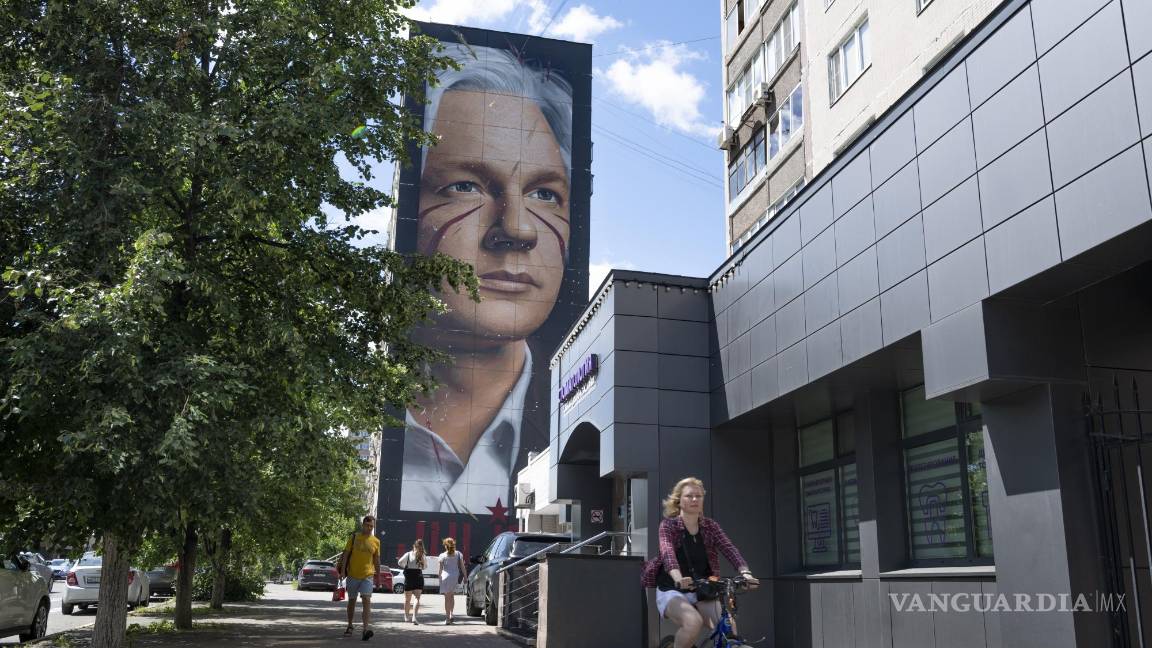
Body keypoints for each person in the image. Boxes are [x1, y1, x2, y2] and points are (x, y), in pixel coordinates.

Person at [400, 42, 577, 515]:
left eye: (544, 193)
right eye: (465, 186)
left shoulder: (581, 413)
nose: (517, 229)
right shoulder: (385, 412)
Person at [640, 477, 759, 648]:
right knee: (692, 623)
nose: (695, 499)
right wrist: (677, 577)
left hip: (703, 589)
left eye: (698, 496)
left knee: (728, 626)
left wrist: (745, 573)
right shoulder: (668, 526)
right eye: (689, 496)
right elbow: (668, 554)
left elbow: (729, 549)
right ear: (678, 500)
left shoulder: (711, 526)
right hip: (672, 589)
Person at [338, 515, 381, 641]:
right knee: (352, 600)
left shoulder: (376, 541)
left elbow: (377, 560)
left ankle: (365, 629)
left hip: (367, 576)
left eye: (372, 526)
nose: (369, 528)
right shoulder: (354, 537)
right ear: (363, 525)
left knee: (366, 600)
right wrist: (342, 571)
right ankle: (350, 625)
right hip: (352, 574)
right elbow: (346, 555)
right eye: (367, 526)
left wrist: (378, 577)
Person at [437, 537, 468, 625]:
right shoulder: (458, 554)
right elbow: (462, 567)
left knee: (447, 598)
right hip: (455, 577)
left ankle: (447, 619)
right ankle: (451, 614)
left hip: (445, 577)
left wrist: (439, 579)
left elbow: (440, 569)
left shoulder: (442, 555)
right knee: (452, 596)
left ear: (445, 546)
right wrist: (465, 577)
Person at [398, 539, 427, 624]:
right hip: (418, 576)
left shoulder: (408, 554)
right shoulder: (423, 555)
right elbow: (425, 567)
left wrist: (405, 566)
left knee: (407, 599)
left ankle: (406, 617)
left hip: (409, 577)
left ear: (414, 546)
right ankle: (414, 617)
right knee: (417, 598)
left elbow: (399, 562)